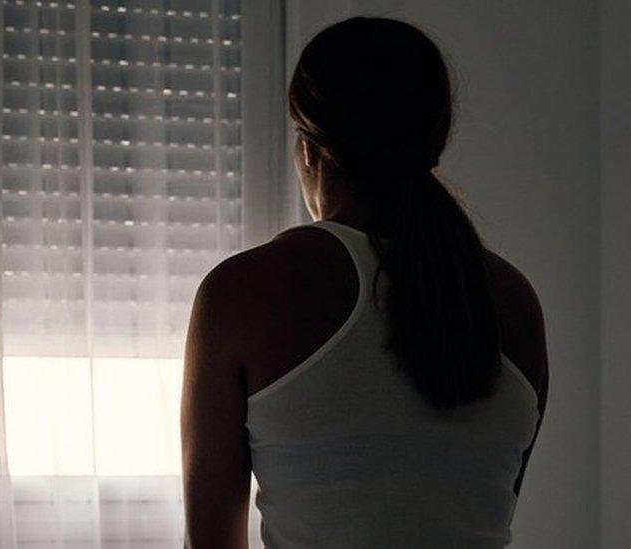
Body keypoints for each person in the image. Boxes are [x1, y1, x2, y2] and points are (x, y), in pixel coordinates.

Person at [180, 16, 548, 548]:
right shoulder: (513, 300)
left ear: (308, 148)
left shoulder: (243, 292)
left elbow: (211, 541)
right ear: (436, 142)